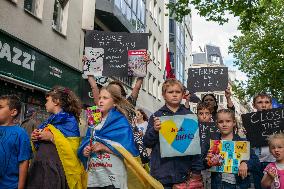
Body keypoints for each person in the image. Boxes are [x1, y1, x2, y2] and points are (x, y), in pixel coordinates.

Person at [143, 78, 203, 188]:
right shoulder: (157, 116)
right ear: (164, 95)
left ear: (183, 94)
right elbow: (147, 143)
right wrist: (154, 130)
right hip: (161, 174)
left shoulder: (189, 117)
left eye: (178, 92)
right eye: (170, 92)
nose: (174, 95)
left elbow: (196, 148)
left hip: (184, 175)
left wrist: (196, 172)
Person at [77, 85, 141, 189]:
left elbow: (129, 152)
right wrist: (85, 150)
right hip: (95, 176)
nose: (100, 101)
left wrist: (105, 147)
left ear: (115, 103)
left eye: (105, 98)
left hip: (113, 176)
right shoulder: (93, 120)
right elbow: (87, 140)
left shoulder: (121, 122)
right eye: (99, 98)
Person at [26, 86, 86, 189]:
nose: (45, 104)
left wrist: (52, 137)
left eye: (47, 100)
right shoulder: (49, 121)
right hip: (40, 168)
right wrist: (35, 137)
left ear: (56, 101)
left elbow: (73, 148)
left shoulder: (69, 121)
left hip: (56, 171)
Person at [203, 109, 260, 189]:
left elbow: (256, 161)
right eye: (221, 122)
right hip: (218, 184)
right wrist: (208, 162)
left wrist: (246, 163)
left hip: (238, 185)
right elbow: (204, 164)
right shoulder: (212, 143)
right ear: (217, 124)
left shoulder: (242, 142)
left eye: (228, 121)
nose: (224, 124)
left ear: (234, 123)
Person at [0, 95, 32, 189]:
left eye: (0, 107)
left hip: (9, 186)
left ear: (13, 112)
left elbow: (24, 162)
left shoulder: (20, 133)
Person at [252, 93, 274, 189]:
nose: (264, 105)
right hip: (257, 162)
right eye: (260, 102)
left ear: (271, 104)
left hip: (274, 161)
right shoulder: (250, 121)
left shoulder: (279, 121)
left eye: (267, 102)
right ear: (254, 105)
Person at [197, 102, 214, 189]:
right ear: (197, 115)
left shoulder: (216, 128)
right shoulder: (194, 127)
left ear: (210, 115)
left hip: (211, 166)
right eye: (201, 113)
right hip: (197, 167)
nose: (204, 116)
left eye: (207, 113)